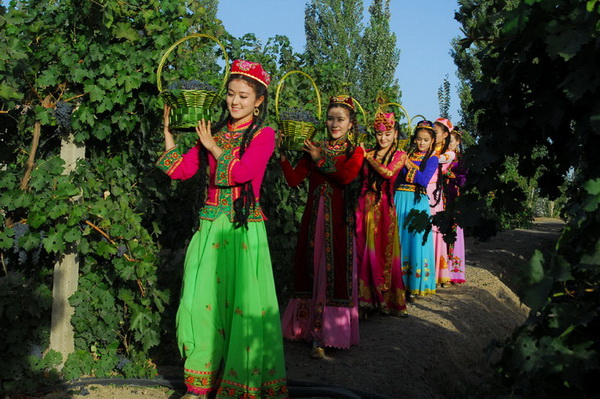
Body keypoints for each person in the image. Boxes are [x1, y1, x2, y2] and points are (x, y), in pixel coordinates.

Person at [156, 60, 287, 399]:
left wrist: (213, 147)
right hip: (210, 226)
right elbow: (182, 170)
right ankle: (199, 385)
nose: (234, 102)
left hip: (243, 230)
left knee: (242, 306)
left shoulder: (264, 135)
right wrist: (169, 137)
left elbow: (244, 173)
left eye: (243, 96)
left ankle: (238, 384)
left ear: (259, 101)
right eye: (230, 94)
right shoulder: (213, 132)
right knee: (196, 302)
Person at [279, 95, 365, 359]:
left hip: (339, 223)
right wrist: (282, 155)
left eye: (340, 120)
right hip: (313, 219)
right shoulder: (313, 147)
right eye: (330, 119)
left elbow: (346, 177)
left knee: (334, 272)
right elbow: (294, 180)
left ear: (351, 124)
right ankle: (306, 329)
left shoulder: (356, 152)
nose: (334, 124)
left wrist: (319, 158)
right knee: (310, 268)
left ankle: (328, 334)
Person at [355, 112, 408, 317]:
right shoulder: (367, 152)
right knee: (363, 252)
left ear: (395, 134)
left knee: (383, 254)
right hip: (364, 206)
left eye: (387, 134)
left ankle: (388, 300)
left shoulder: (400, 155)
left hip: (385, 208)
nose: (383, 138)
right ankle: (364, 301)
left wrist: (366, 156)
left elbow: (387, 173)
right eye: (379, 134)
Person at [394, 120, 439, 298]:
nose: (421, 143)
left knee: (414, 240)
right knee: (398, 239)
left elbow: (422, 180)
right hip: (400, 198)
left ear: (432, 141)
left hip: (416, 202)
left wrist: (406, 164)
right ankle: (397, 283)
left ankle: (414, 283)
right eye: (419, 139)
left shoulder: (433, 159)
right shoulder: (407, 155)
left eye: (426, 140)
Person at [430, 117, 455, 287]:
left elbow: (437, 160)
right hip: (423, 189)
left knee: (433, 230)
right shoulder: (429, 148)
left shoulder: (448, 154)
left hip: (434, 192)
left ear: (445, 135)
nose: (433, 135)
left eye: (436, 132)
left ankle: (434, 270)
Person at [444, 129, 468, 284]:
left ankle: (454, 271)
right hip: (441, 198)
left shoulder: (462, 160)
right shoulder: (441, 156)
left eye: (451, 141)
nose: (449, 144)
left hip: (454, 198)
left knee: (452, 232)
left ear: (458, 142)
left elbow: (463, 181)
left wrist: (448, 174)